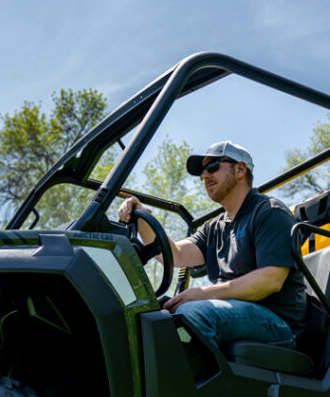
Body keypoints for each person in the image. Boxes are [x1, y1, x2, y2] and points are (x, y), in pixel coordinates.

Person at [118, 140, 307, 349]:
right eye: (202, 173)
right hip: (237, 312)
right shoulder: (215, 227)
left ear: (240, 169)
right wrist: (142, 217)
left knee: (192, 314)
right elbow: (175, 255)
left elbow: (269, 280)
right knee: (155, 315)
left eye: (212, 167)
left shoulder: (269, 212)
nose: (205, 176)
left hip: (278, 321)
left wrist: (203, 294)